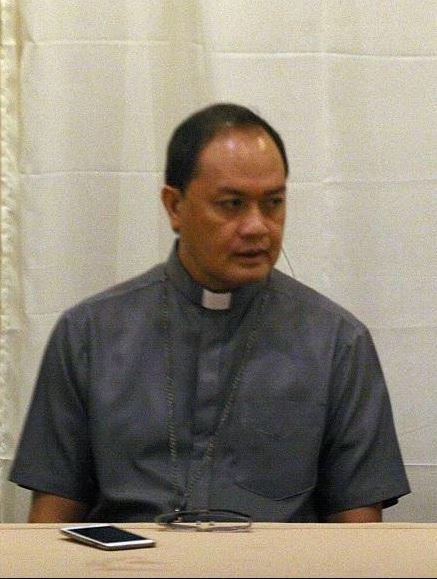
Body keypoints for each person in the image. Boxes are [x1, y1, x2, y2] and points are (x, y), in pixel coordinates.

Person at [9, 103, 410, 524]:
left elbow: (359, 535)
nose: (257, 227)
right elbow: (50, 526)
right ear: (174, 206)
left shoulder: (337, 343)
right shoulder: (88, 335)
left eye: (273, 203)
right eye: (232, 203)